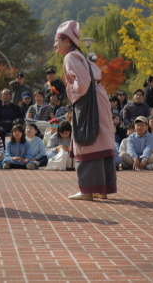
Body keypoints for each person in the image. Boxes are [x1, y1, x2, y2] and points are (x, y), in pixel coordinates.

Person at [55, 20, 116, 200]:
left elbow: (81, 84)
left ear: (67, 41)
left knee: (86, 139)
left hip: (88, 99)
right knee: (101, 137)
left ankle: (88, 190)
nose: (54, 44)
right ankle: (102, 189)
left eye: (57, 40)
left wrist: (70, 91)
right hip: (98, 96)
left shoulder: (70, 57)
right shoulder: (79, 55)